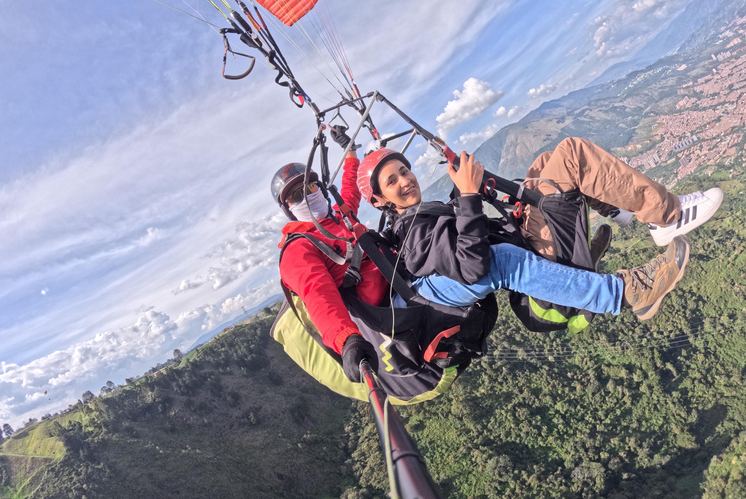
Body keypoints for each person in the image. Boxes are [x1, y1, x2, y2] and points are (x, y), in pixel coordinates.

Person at [357, 138, 722, 321]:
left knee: (543, 164)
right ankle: (666, 217)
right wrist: (468, 196)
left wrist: (473, 189)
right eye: (392, 181)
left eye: (404, 171)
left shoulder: (419, 215)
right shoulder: (412, 236)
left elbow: (466, 232)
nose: (405, 180)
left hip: (525, 242)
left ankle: (619, 211)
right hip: (534, 271)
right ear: (379, 200)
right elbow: (472, 268)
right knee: (572, 155)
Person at [273, 128, 385, 383]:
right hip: (383, 305)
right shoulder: (298, 248)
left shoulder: (338, 215)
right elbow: (318, 295)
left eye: (310, 186)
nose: (308, 195)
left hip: (399, 273)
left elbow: (350, 186)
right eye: (297, 195)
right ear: (289, 209)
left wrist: (350, 150)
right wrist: (347, 339)